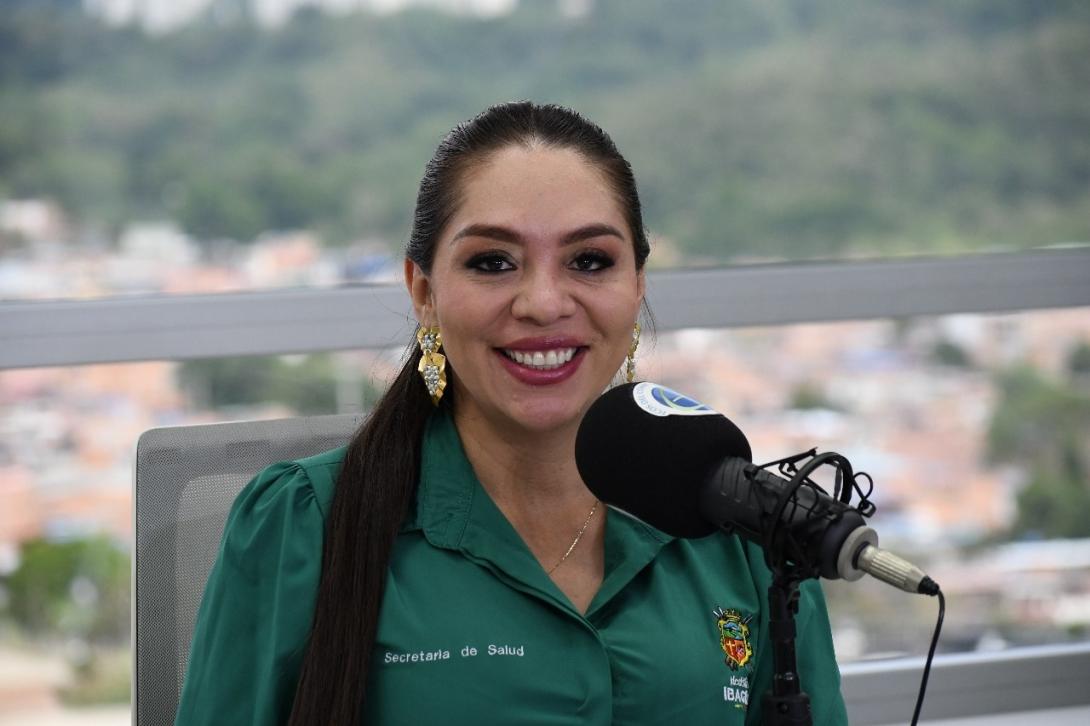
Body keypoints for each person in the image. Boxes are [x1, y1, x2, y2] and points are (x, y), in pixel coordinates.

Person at [176, 101, 848, 725]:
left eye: (590, 260)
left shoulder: (746, 532)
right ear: (424, 292)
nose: (544, 303)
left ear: (638, 286)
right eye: (493, 262)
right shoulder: (306, 527)